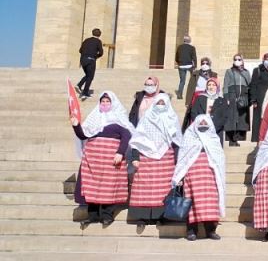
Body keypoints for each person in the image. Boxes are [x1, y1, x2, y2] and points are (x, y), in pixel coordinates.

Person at [70, 91, 133, 226]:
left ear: (112, 103)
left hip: (111, 160)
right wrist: (76, 125)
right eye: (102, 102)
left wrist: (120, 152)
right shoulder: (94, 118)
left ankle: (107, 216)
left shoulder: (118, 119)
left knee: (108, 187)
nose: (105, 104)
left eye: (107, 102)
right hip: (93, 161)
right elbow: (83, 135)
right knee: (92, 187)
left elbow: (126, 135)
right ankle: (92, 216)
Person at [128, 93, 182, 228]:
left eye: (163, 103)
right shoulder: (146, 118)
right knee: (143, 188)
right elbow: (137, 140)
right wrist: (134, 157)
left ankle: (161, 217)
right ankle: (142, 218)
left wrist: (178, 162)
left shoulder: (172, 119)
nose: (160, 106)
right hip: (146, 159)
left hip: (166, 160)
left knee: (163, 190)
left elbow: (177, 142)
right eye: (158, 103)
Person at [172, 114, 226, 241]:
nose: (202, 125)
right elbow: (183, 158)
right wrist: (180, 176)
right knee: (192, 203)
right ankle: (191, 230)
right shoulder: (189, 137)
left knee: (210, 204)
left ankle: (210, 231)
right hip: (192, 176)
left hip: (210, 177)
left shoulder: (214, 139)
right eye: (200, 123)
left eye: (205, 123)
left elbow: (219, 159)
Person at [223, 54, 251, 147]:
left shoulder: (246, 72)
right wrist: (226, 97)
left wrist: (250, 98)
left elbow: (249, 84)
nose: (237, 61)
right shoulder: (229, 71)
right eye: (235, 59)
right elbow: (226, 85)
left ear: (242, 61)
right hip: (232, 95)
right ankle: (231, 139)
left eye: (239, 59)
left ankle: (238, 138)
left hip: (243, 96)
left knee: (241, 118)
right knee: (232, 118)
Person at [189, 78, 229, 142]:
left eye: (213, 85)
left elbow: (224, 116)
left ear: (217, 87)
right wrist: (201, 124)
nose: (211, 87)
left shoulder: (222, 101)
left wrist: (214, 128)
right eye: (209, 85)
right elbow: (194, 112)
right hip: (201, 129)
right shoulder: (200, 98)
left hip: (216, 130)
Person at [251, 53, 268, 142]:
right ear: (263, 60)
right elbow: (253, 85)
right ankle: (259, 140)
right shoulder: (257, 70)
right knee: (259, 120)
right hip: (260, 99)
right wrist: (253, 100)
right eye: (266, 59)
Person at [76, 28, 104, 100]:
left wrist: (85, 54)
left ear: (92, 33)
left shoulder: (86, 40)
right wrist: (95, 56)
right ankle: (85, 92)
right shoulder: (98, 41)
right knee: (90, 77)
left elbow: (80, 50)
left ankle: (79, 85)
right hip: (91, 60)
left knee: (88, 75)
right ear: (99, 35)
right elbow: (101, 53)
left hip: (83, 60)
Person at [175, 35, 197, 99]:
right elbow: (194, 57)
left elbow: (176, 57)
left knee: (182, 81)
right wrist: (195, 66)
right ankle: (192, 94)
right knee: (192, 80)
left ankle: (179, 95)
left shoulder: (179, 47)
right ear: (189, 41)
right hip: (189, 65)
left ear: (184, 40)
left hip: (181, 65)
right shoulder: (192, 48)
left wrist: (179, 63)